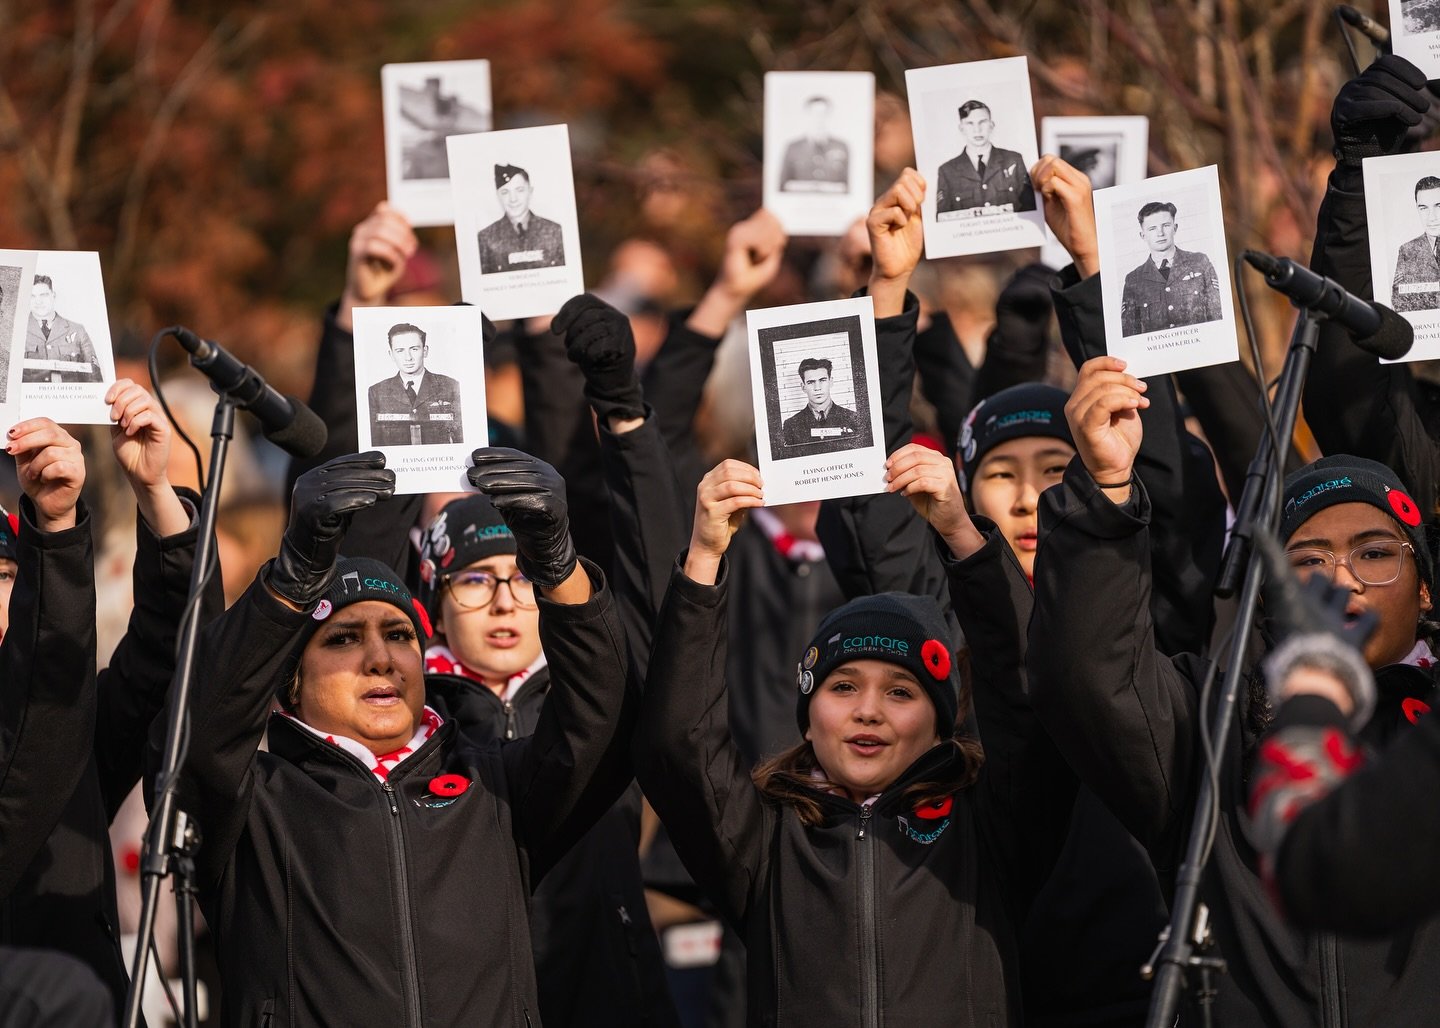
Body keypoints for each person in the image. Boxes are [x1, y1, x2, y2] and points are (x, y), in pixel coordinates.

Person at [1028, 343, 1440, 1022]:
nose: (1341, 580)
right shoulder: (1213, 716)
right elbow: (1087, 675)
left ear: (1426, 590)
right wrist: (1102, 495)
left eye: (1374, 554)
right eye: (1308, 559)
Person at [157, 447, 639, 1025]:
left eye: (399, 633)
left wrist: (560, 566)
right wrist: (288, 585)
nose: (381, 658)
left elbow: (603, 718)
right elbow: (193, 726)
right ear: (289, 680)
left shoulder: (496, 785)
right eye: (342, 639)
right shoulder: (251, 803)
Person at [637, 451, 1072, 1024]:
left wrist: (961, 533)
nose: (868, 711)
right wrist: (704, 555)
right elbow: (679, 744)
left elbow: (1024, 696)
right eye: (842, 687)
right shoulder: (764, 838)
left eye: (900, 692)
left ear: (941, 720)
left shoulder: (988, 826)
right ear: (807, 711)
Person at [416, 491, 678, 1028]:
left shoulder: (601, 690)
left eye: (523, 578)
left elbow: (662, 586)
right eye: (473, 580)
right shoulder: (408, 718)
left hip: (610, 990)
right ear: (434, 606)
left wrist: (628, 426)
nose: (504, 601)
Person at [1118, 200, 1223, 336]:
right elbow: (1130, 334)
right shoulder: (1133, 280)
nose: (1160, 233)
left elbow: (1217, 316)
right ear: (1143, 235)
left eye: (1166, 225)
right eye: (1152, 228)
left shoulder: (1200, 263)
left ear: (1175, 228)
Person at [366, 321, 464, 445]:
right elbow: (374, 443)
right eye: (400, 350)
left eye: (414, 349)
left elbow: (461, 439)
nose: (408, 357)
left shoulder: (450, 386)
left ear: (425, 350)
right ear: (391, 354)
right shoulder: (377, 392)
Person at [935, 100, 1036, 217]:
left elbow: (1031, 210)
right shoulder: (947, 171)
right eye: (970, 124)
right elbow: (943, 221)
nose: (977, 130)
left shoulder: (1013, 160)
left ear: (991, 125)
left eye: (982, 122)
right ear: (961, 129)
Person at [477, 163, 566, 274]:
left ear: (530, 191)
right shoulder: (486, 237)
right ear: (498, 196)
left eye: (519, 190)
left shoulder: (554, 231)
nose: (513, 199)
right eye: (505, 192)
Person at [23, 274, 102, 383]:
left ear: (53, 296)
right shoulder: (16, 331)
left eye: (43, 295)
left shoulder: (77, 330)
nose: (38, 301)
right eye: (32, 296)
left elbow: (94, 378)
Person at [779, 357, 862, 447]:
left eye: (822, 380)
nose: (817, 388)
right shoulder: (791, 425)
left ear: (831, 382)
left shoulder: (853, 418)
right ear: (803, 387)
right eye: (811, 382)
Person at [778, 96, 849, 193]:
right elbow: (783, 185)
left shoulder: (841, 146)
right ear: (807, 115)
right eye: (814, 113)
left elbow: (847, 186)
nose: (819, 118)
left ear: (830, 116)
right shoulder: (793, 147)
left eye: (823, 114)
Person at [1390, 175, 1440, 312]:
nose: (1432, 217)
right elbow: (1399, 301)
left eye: (1438, 206)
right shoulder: (1408, 250)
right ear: (1417, 208)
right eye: (1424, 208)